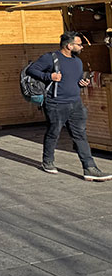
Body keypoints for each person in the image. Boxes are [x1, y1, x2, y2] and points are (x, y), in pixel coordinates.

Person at [27, 32, 112, 181]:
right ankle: (48, 162)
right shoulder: (50, 58)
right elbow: (31, 70)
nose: (81, 47)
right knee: (54, 133)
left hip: (76, 103)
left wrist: (82, 83)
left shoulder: (77, 62)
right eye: (79, 44)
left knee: (80, 135)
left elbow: (76, 80)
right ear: (69, 45)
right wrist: (50, 76)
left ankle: (90, 168)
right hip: (56, 103)